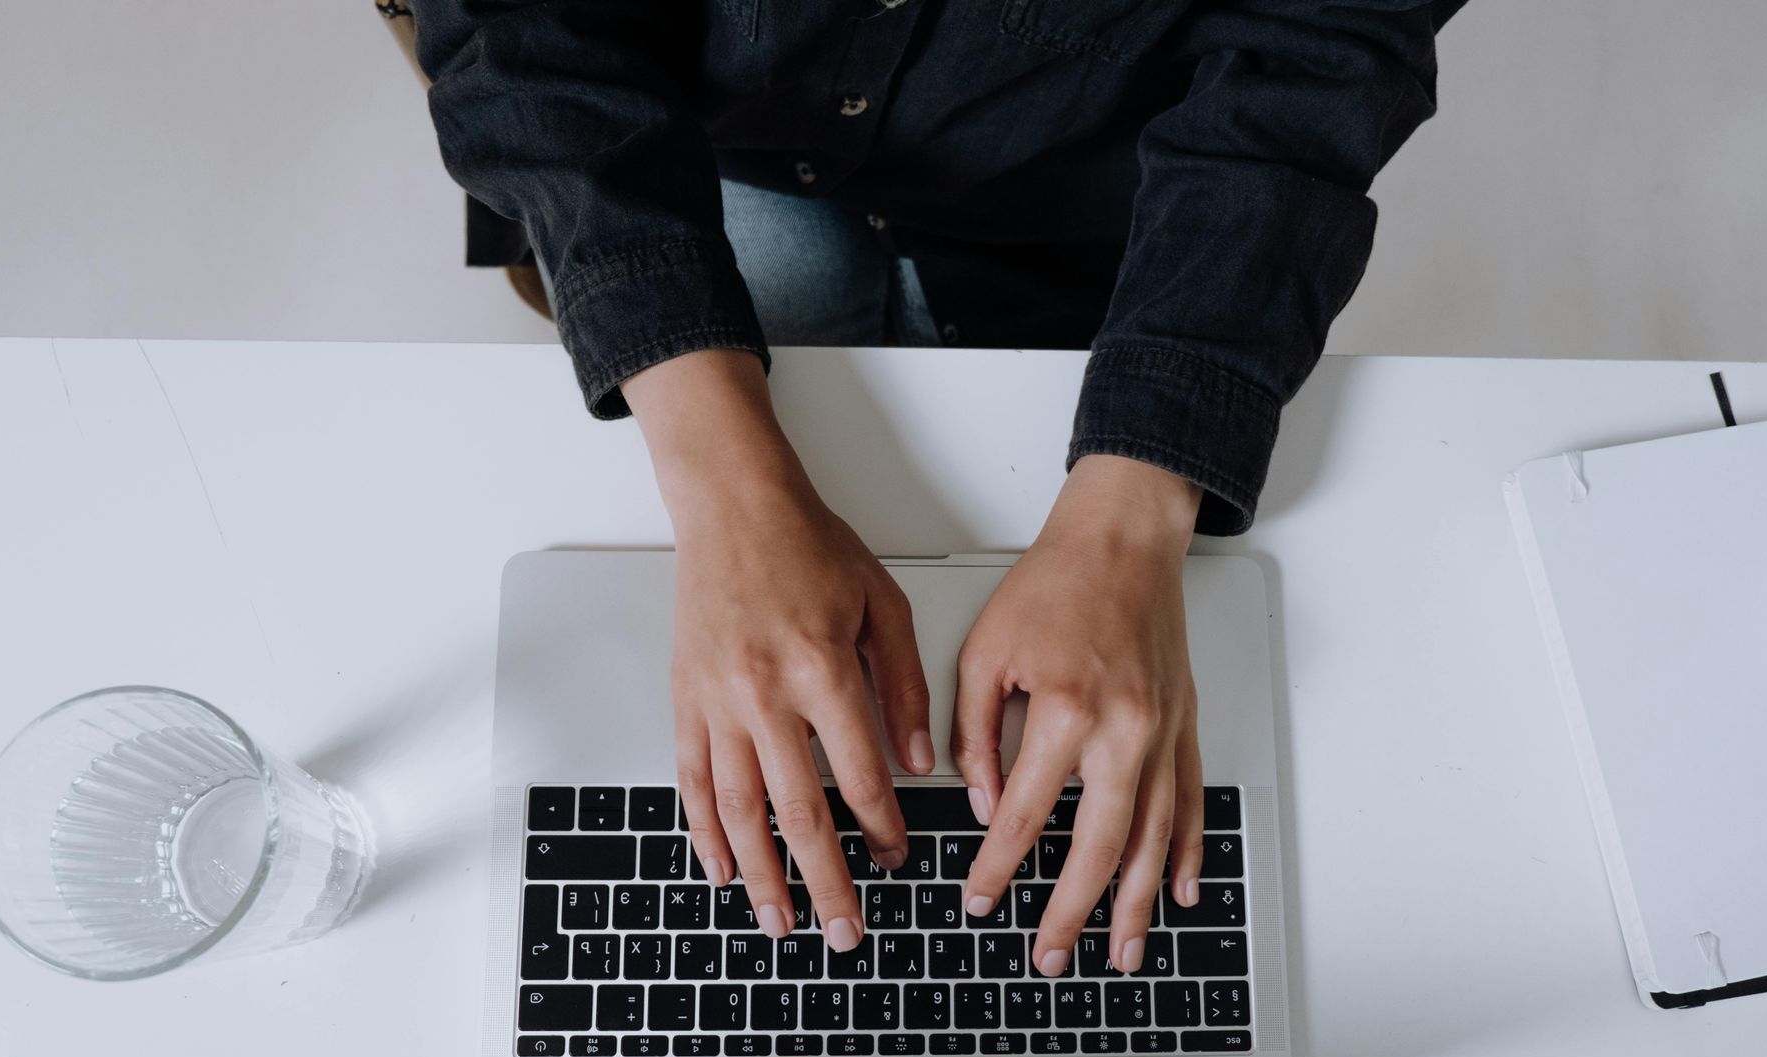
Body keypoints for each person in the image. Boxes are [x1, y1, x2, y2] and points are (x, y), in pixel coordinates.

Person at [408, 0, 1462, 977]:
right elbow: (517, 25)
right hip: (704, 130)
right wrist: (726, 487)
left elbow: (1321, 52)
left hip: (1071, 181)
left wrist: (1129, 523)